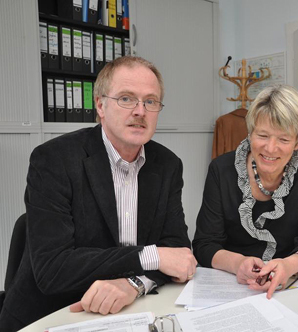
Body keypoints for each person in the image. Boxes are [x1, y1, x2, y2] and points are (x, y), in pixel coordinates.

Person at [0, 56, 197, 330]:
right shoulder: (54, 159)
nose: (140, 111)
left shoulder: (167, 165)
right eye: (126, 99)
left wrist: (134, 283)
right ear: (101, 106)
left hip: (127, 311)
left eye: (150, 101)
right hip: (53, 313)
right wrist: (152, 257)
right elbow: (53, 269)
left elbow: (177, 252)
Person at [193, 84, 298, 298]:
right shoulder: (221, 170)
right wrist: (238, 263)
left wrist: (289, 265)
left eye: (283, 139)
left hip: (291, 285)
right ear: (250, 133)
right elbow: (204, 244)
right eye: (262, 135)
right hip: (231, 285)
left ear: (297, 142)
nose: (270, 148)